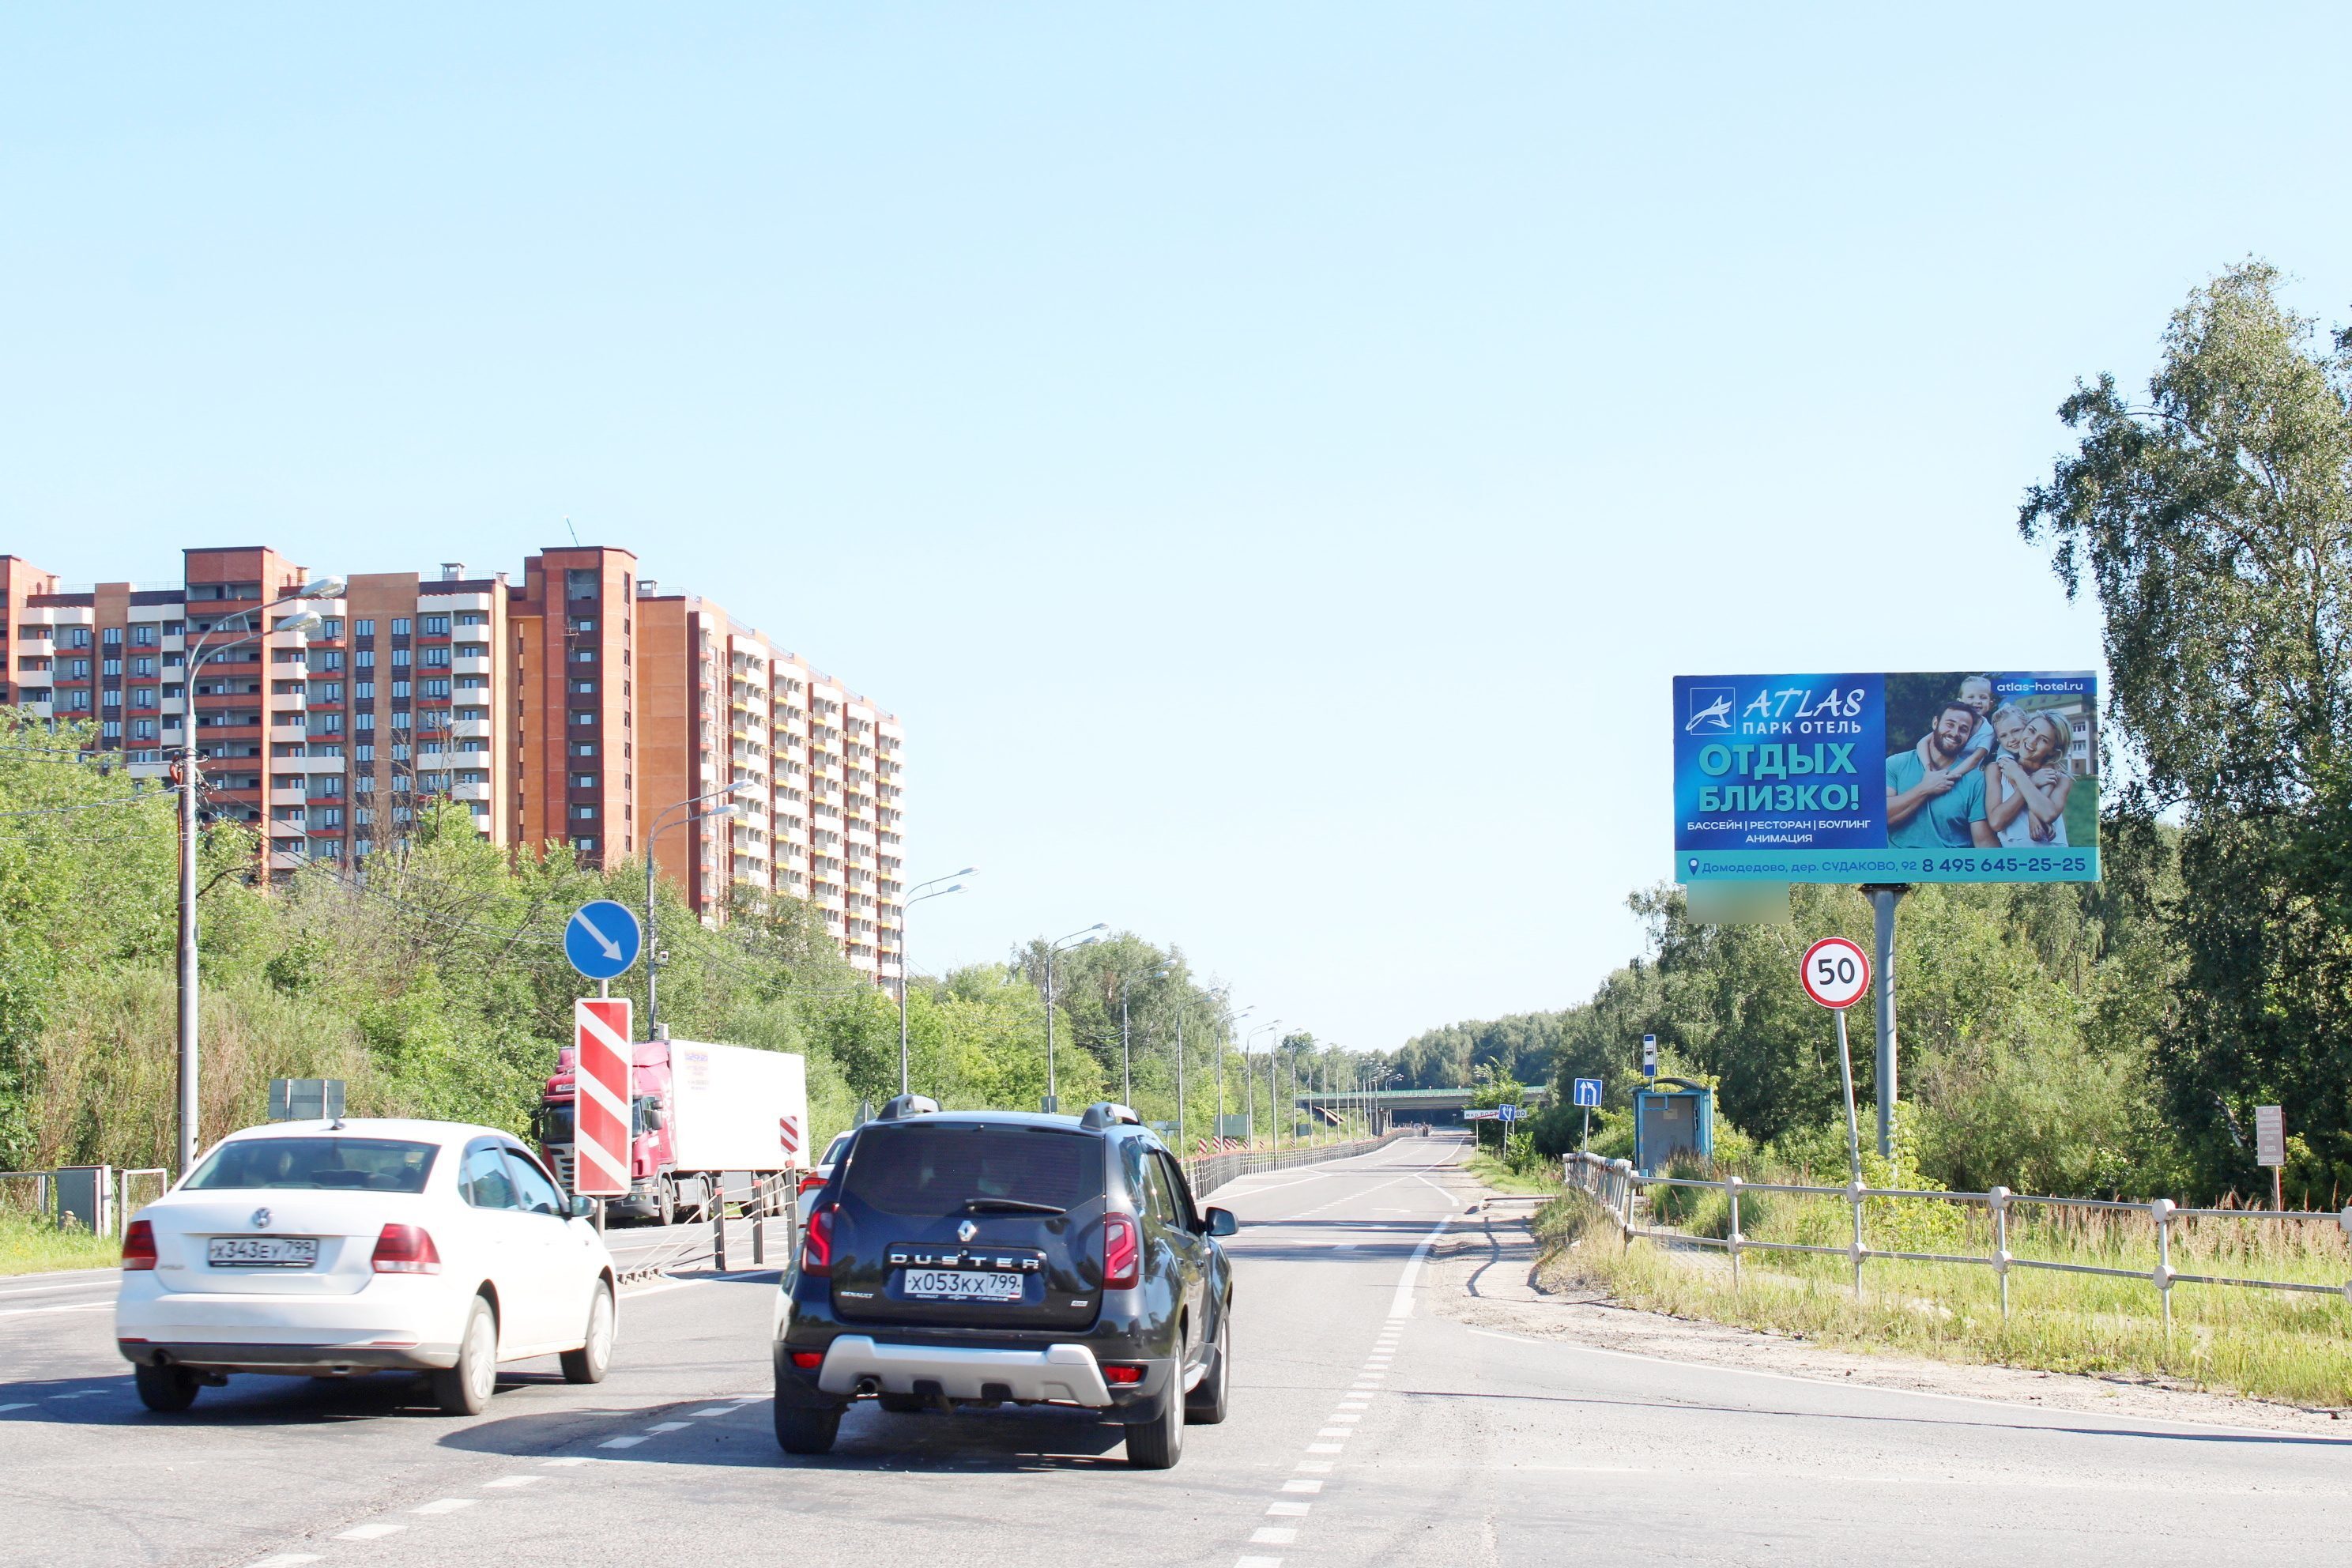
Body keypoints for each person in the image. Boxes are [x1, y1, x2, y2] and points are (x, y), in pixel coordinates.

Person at [1886, 699, 1997, 849]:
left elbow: (1983, 842)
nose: (1955, 733)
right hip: (1902, 862)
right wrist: (1925, 788)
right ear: (1935, 723)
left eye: (1963, 729)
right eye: (1950, 724)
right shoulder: (1896, 763)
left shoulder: (1975, 779)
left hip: (1950, 863)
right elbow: (1882, 817)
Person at [1984, 703, 2064, 846]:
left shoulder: (2054, 772)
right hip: (2017, 856)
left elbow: (2047, 812)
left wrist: (2034, 813)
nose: (2012, 739)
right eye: (2003, 736)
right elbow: (1996, 822)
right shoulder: (1997, 769)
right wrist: (2031, 782)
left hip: (2055, 855)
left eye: (2016, 731)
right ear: (1998, 740)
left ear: (2028, 727)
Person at [1910, 675, 1996, 783]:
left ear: (1990, 704)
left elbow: (1976, 759)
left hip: (1964, 776)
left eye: (1983, 697)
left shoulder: (1988, 731)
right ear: (1960, 701)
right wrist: (1929, 768)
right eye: (1971, 697)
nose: (1977, 701)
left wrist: (1947, 777)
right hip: (1938, 769)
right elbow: (1923, 743)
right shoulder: (1953, 722)